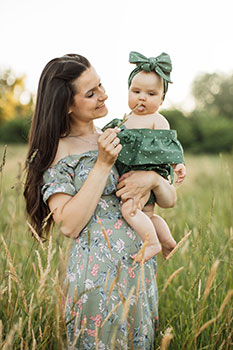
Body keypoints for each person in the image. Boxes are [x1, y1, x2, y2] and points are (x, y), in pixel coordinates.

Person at [24, 54, 177, 349]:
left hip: (138, 269)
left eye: (101, 85)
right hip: (97, 278)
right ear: (67, 104)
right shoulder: (58, 152)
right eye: (91, 92)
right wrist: (103, 164)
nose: (104, 95)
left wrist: (156, 180)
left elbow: (169, 199)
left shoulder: (118, 133)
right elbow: (69, 225)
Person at [103, 51, 186, 262]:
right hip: (130, 177)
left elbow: (169, 144)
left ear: (161, 99)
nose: (142, 97)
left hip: (146, 174)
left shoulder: (157, 120)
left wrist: (177, 163)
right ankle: (167, 241)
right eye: (136, 91)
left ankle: (153, 243)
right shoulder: (124, 120)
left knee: (129, 210)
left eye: (151, 94)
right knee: (148, 215)